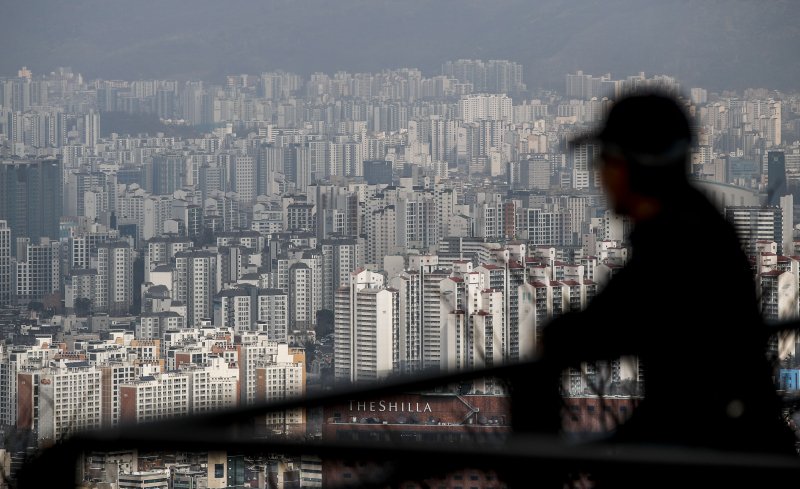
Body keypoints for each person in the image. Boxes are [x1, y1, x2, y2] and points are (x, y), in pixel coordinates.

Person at [539, 93, 796, 484]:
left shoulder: (676, 242)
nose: (600, 175)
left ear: (631, 168)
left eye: (605, 161)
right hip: (735, 442)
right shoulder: (697, 222)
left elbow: (596, 325)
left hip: (710, 453)